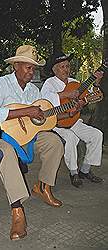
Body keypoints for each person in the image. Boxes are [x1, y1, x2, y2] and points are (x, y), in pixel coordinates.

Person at [0, 45, 64, 240]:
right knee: (6, 153)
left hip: (26, 135)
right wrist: (25, 112)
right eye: (28, 67)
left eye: (34, 68)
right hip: (0, 132)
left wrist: (63, 112)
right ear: (16, 65)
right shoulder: (3, 83)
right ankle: (17, 209)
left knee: (54, 142)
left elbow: (39, 118)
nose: (32, 72)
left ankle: (43, 187)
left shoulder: (33, 90)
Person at [41, 51, 104, 188]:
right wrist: (66, 94)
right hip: (56, 123)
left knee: (96, 135)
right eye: (62, 67)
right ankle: (73, 172)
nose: (66, 69)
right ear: (54, 69)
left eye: (67, 66)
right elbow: (45, 100)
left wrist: (96, 82)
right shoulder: (49, 83)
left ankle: (85, 170)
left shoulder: (74, 82)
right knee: (71, 138)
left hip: (74, 121)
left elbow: (91, 94)